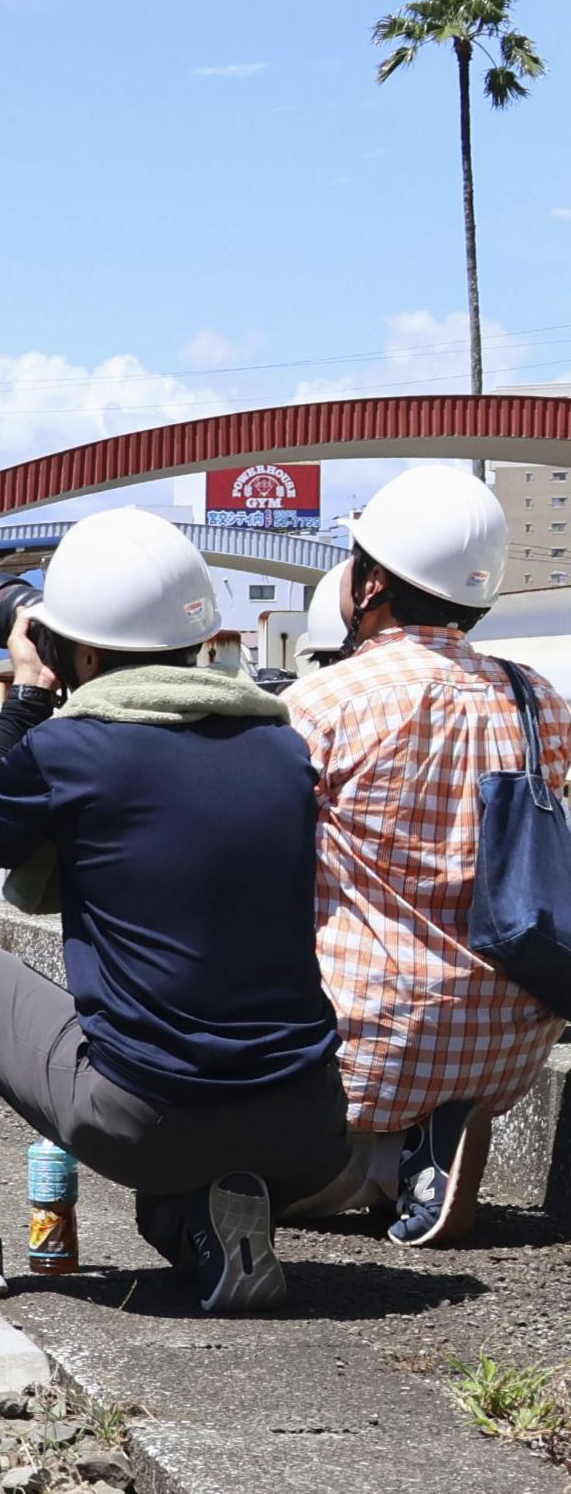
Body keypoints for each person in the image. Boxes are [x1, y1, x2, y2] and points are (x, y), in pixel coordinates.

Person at [0, 508, 349, 1313]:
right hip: (312, 1122)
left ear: (78, 651)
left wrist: (29, 697)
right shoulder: (281, 749)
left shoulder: (73, 749)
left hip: (148, 1119)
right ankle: (205, 1222)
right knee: (179, 1134)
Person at [281, 465, 571, 1245]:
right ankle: (424, 1151)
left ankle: (375, 1162)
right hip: (507, 1049)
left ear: (372, 583)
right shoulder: (539, 698)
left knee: (206, 1185)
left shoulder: (320, 703)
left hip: (364, 1049)